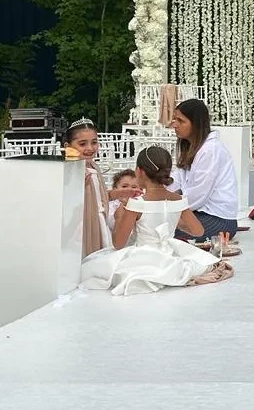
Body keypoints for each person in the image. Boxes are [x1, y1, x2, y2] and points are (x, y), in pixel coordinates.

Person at [81, 146, 233, 296]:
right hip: (170, 253)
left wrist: (120, 216)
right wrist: (171, 222)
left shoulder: (137, 203)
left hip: (144, 257)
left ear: (139, 171)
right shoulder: (178, 199)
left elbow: (118, 243)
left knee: (90, 267)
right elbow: (198, 231)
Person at [62, 118, 137, 257]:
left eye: (94, 142)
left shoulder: (93, 166)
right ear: (68, 146)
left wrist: (121, 193)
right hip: (82, 225)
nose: (90, 148)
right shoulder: (69, 170)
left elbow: (98, 197)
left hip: (99, 222)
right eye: (82, 144)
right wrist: (77, 186)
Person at [170, 98, 240, 240]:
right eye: (175, 119)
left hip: (219, 219)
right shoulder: (191, 147)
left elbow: (197, 196)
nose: (174, 125)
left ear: (196, 124)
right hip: (199, 213)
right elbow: (175, 182)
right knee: (155, 223)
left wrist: (167, 208)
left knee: (164, 230)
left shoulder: (211, 150)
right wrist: (152, 195)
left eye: (181, 121)